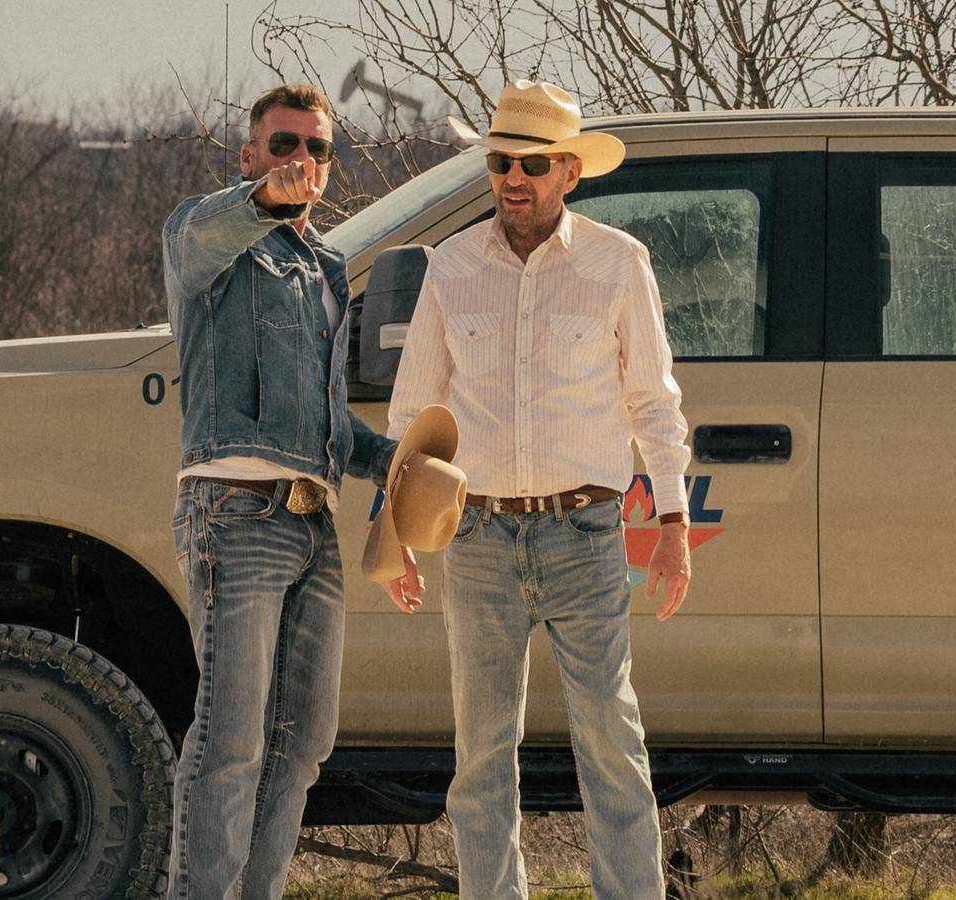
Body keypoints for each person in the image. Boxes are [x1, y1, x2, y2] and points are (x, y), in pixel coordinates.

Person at [384, 80, 695, 898]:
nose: (512, 178)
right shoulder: (450, 267)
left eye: (531, 163)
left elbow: (654, 402)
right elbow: (413, 413)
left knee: (611, 741)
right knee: (480, 755)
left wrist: (672, 523)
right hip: (477, 539)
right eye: (499, 161)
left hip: (586, 533)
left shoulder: (618, 262)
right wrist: (395, 538)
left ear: (569, 172)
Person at [161, 83, 404, 899]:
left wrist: (398, 463)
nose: (302, 161)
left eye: (318, 149)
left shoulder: (329, 269)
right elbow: (207, 233)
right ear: (250, 156)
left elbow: (327, 421)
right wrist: (263, 200)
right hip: (233, 513)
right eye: (283, 145)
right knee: (229, 741)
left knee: (302, 745)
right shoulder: (208, 237)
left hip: (313, 523)